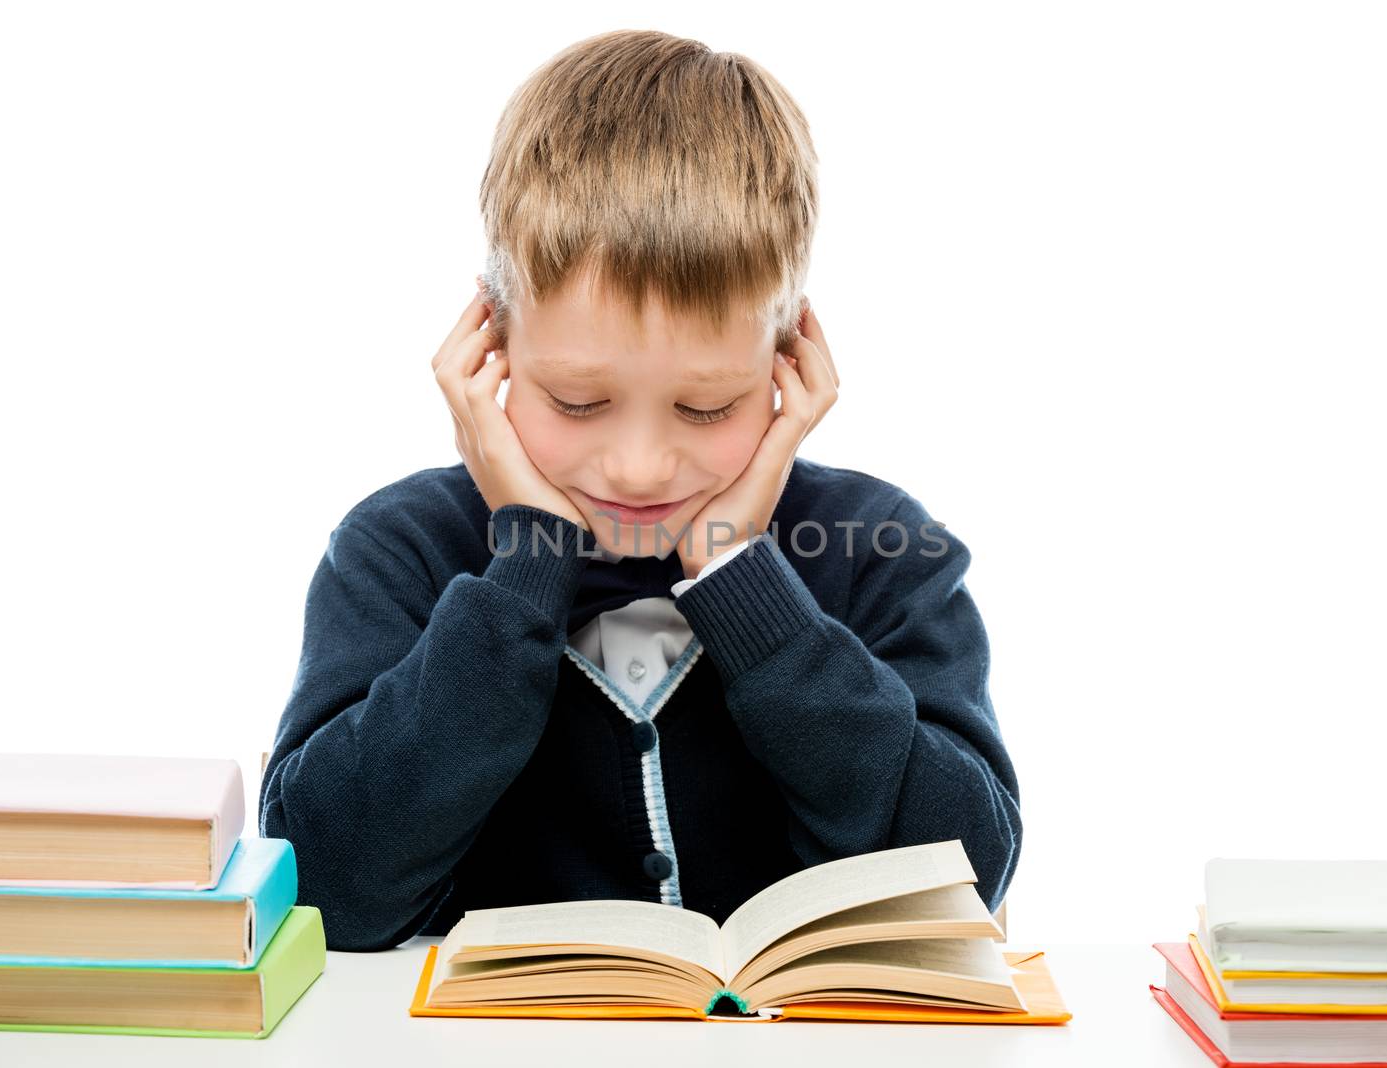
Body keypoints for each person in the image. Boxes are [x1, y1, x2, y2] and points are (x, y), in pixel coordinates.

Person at [260, 28, 1021, 952]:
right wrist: (525, 563)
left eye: (706, 408)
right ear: (490, 348)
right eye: (579, 402)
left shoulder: (882, 547)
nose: (639, 468)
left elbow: (963, 877)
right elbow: (326, 887)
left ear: (789, 363)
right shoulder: (401, 549)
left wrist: (743, 578)